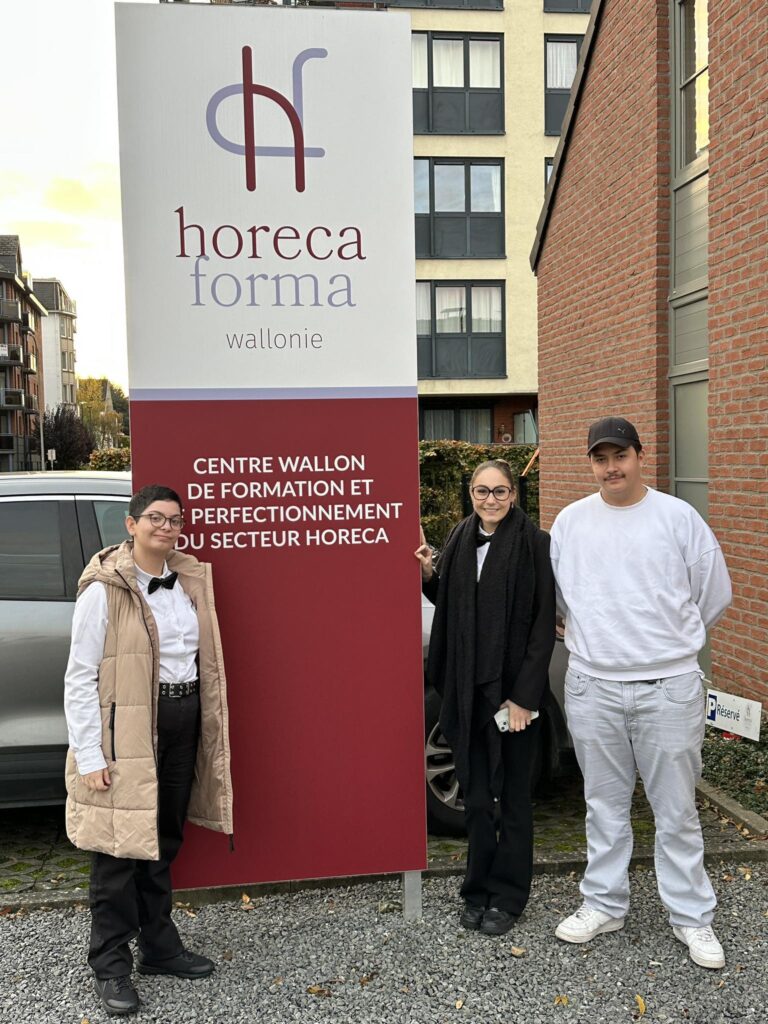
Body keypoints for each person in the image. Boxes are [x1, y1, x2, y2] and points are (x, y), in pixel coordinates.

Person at [550, 417, 732, 969]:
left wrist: (668, 646)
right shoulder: (571, 522)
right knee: (602, 806)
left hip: (668, 688)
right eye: (600, 459)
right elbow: (561, 597)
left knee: (675, 811)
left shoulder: (677, 518)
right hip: (593, 686)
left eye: (620, 456)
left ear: (639, 456)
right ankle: (604, 903)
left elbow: (714, 594)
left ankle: (691, 916)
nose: (611, 468)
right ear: (591, 464)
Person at [64, 484, 233, 1016]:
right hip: (129, 733)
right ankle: (110, 964)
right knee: (117, 850)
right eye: (156, 518)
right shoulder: (104, 590)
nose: (167, 527)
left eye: (175, 519)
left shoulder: (189, 581)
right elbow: (79, 676)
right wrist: (90, 754)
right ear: (131, 525)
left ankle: (158, 946)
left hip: (183, 723)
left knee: (162, 839)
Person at [415, 459, 555, 936]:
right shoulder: (459, 538)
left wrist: (522, 698)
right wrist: (429, 574)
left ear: (513, 495)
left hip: (513, 696)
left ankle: (509, 897)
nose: (489, 499)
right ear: (470, 494)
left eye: (499, 491)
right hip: (467, 689)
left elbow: (542, 625)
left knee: (513, 798)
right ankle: (476, 891)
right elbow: (453, 603)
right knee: (476, 799)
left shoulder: (534, 544)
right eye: (481, 491)